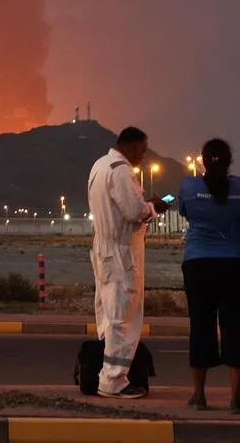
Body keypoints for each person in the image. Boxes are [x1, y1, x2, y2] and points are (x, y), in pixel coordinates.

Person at [87, 126, 171, 398]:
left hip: (104, 250)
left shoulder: (99, 166)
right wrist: (154, 208)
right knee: (123, 317)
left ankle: (108, 373)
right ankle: (113, 381)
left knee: (109, 316)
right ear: (133, 147)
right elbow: (134, 211)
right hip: (122, 254)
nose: (143, 158)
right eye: (143, 152)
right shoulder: (121, 170)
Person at [178, 138, 240, 413]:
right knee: (235, 328)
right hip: (235, 263)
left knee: (201, 326)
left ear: (202, 160)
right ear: (229, 160)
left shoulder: (189, 187)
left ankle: (199, 395)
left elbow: (185, 212)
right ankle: (236, 397)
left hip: (198, 264)